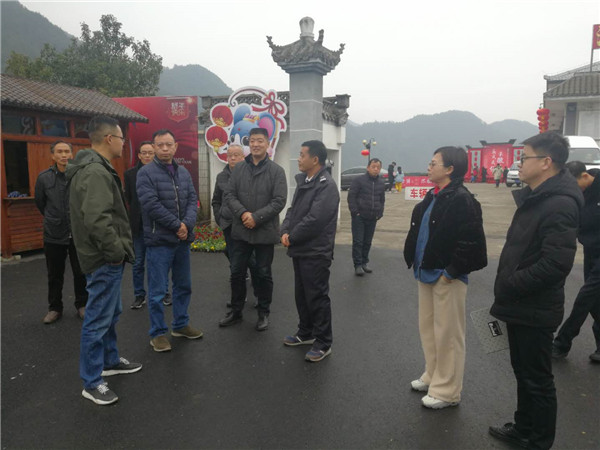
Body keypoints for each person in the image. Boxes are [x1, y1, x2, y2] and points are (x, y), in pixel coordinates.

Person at [488, 132, 583, 449]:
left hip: (534, 307)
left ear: (546, 162)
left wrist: (510, 284)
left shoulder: (559, 204)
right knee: (523, 371)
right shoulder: (538, 197)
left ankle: (539, 441)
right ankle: (523, 427)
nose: (519, 163)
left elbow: (556, 263)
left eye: (524, 157)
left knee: (538, 379)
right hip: (520, 304)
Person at [403, 146, 487, 410]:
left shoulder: (462, 199)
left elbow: (471, 241)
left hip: (446, 276)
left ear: (450, 169)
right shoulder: (434, 195)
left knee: (448, 334)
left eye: (433, 163)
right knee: (429, 329)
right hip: (426, 271)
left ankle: (447, 391)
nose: (428, 167)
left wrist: (451, 272)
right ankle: (433, 375)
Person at [67, 116, 142, 406]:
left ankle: (110, 361)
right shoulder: (95, 171)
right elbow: (97, 220)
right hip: (103, 259)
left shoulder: (95, 167)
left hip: (104, 257)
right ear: (110, 139)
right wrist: (115, 252)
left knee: (110, 313)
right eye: (122, 138)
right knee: (97, 319)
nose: (124, 143)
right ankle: (92, 381)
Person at [136, 129, 203, 352]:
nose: (165, 148)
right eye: (160, 145)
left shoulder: (183, 172)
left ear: (175, 147)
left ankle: (180, 325)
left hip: (181, 241)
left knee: (183, 285)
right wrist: (177, 225)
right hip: (159, 241)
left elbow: (192, 199)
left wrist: (187, 224)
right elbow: (151, 205)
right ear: (154, 147)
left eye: (168, 144)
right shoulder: (145, 173)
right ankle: (157, 334)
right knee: (157, 292)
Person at [219, 128, 287, 331]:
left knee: (263, 273)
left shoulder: (276, 171)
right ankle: (236, 311)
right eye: (253, 141)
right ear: (249, 144)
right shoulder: (239, 169)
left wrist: (256, 218)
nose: (256, 144)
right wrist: (243, 214)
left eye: (260, 141)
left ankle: (263, 312)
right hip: (241, 231)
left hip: (264, 232)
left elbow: (279, 201)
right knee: (237, 272)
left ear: (268, 143)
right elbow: (229, 195)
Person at [281, 140, 339, 362]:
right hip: (300, 249)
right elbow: (293, 210)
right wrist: (285, 230)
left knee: (316, 297)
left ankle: (323, 342)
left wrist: (292, 236)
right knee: (302, 295)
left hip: (316, 251)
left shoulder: (326, 186)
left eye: (302, 155)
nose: (299, 158)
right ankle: (305, 332)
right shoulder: (304, 181)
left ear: (315, 159)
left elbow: (315, 219)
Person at [35, 140, 88, 324]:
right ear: (53, 155)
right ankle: (55, 308)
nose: (64, 155)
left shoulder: (80, 175)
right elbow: (40, 203)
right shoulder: (44, 178)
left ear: (72, 154)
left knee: (80, 272)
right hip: (54, 233)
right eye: (59, 151)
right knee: (54, 274)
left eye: (67, 151)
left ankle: (82, 305)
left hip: (78, 232)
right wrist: (54, 218)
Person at [552, 162, 600, 363]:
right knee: (594, 301)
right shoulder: (577, 195)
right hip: (591, 250)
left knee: (585, 297)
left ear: (585, 176)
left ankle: (562, 343)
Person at [124, 141, 171, 310]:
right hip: (138, 227)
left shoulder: (163, 172)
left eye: (150, 153)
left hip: (158, 226)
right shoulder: (130, 174)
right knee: (138, 263)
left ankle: (163, 292)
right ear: (139, 155)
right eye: (144, 153)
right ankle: (139, 295)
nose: (147, 156)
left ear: (155, 154)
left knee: (159, 262)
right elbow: (129, 199)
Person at [211, 144, 258, 308]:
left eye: (236, 155)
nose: (232, 158)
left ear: (243, 157)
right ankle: (238, 298)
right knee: (235, 263)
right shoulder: (221, 177)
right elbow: (216, 200)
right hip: (229, 225)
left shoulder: (251, 174)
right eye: (229, 155)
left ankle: (259, 294)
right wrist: (220, 218)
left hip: (246, 225)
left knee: (253, 261)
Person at [348, 158, 385, 276]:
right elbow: (351, 197)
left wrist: (380, 212)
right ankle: (358, 265)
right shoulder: (359, 180)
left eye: (378, 167)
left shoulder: (381, 183)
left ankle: (364, 263)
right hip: (359, 217)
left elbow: (382, 199)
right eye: (373, 167)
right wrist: (355, 212)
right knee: (358, 241)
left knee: (367, 242)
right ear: (368, 168)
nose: (376, 169)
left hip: (372, 217)